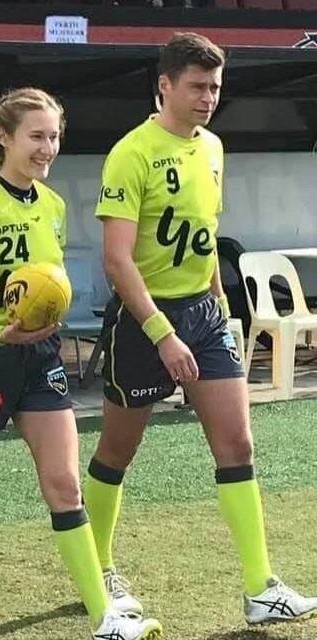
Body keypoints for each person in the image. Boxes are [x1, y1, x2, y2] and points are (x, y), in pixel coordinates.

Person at [0, 87, 164, 640]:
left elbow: (46, 285)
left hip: (41, 360)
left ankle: (104, 618)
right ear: (4, 138)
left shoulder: (54, 206)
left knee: (65, 485)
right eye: (37, 136)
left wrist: (47, 311)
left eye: (55, 137)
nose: (48, 148)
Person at [83, 31, 317, 625]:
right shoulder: (130, 153)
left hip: (204, 316)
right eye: (197, 86)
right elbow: (117, 259)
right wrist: (162, 332)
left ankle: (260, 587)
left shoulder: (213, 147)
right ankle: (99, 566)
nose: (209, 97)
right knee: (117, 450)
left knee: (238, 445)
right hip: (143, 322)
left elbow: (207, 233)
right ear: (164, 86)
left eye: (215, 87)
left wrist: (221, 310)